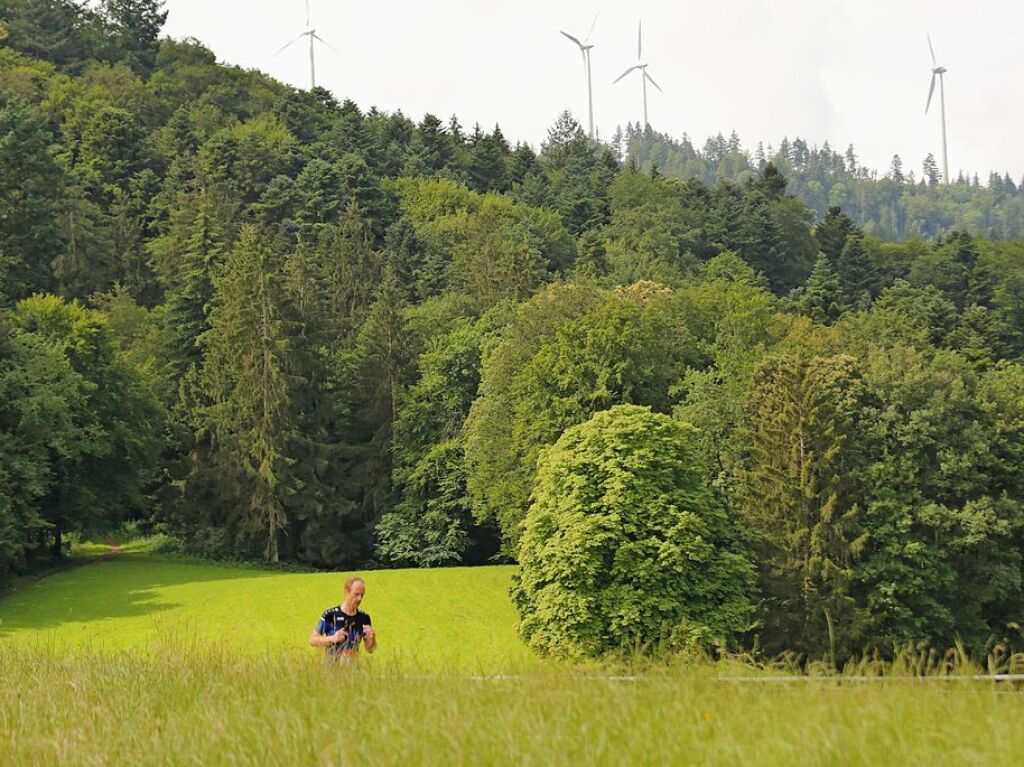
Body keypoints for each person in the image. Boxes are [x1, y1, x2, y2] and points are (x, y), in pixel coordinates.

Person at [309, 575, 377, 662]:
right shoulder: (331, 615)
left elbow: (370, 649)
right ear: (347, 592)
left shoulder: (364, 618)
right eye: (356, 594)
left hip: (353, 670)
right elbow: (313, 640)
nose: (359, 599)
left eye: (362, 595)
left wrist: (371, 638)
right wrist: (332, 638)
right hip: (332, 669)